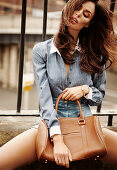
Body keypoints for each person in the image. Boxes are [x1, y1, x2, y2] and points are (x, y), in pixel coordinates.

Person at [0, 0, 117, 169]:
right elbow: (45, 99)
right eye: (77, 8)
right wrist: (58, 138)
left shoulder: (95, 54)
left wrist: (84, 90)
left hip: (84, 124)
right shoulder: (42, 51)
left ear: (88, 24)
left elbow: (98, 97)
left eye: (86, 14)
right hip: (50, 124)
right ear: (68, 8)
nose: (78, 13)